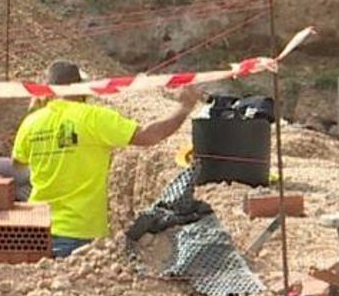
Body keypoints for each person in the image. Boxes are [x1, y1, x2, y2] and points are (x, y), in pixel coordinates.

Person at [13, 60, 202, 259]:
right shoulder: (93, 118)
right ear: (81, 88)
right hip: (78, 233)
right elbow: (149, 136)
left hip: (37, 230)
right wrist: (184, 107)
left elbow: (18, 166)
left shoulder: (30, 122)